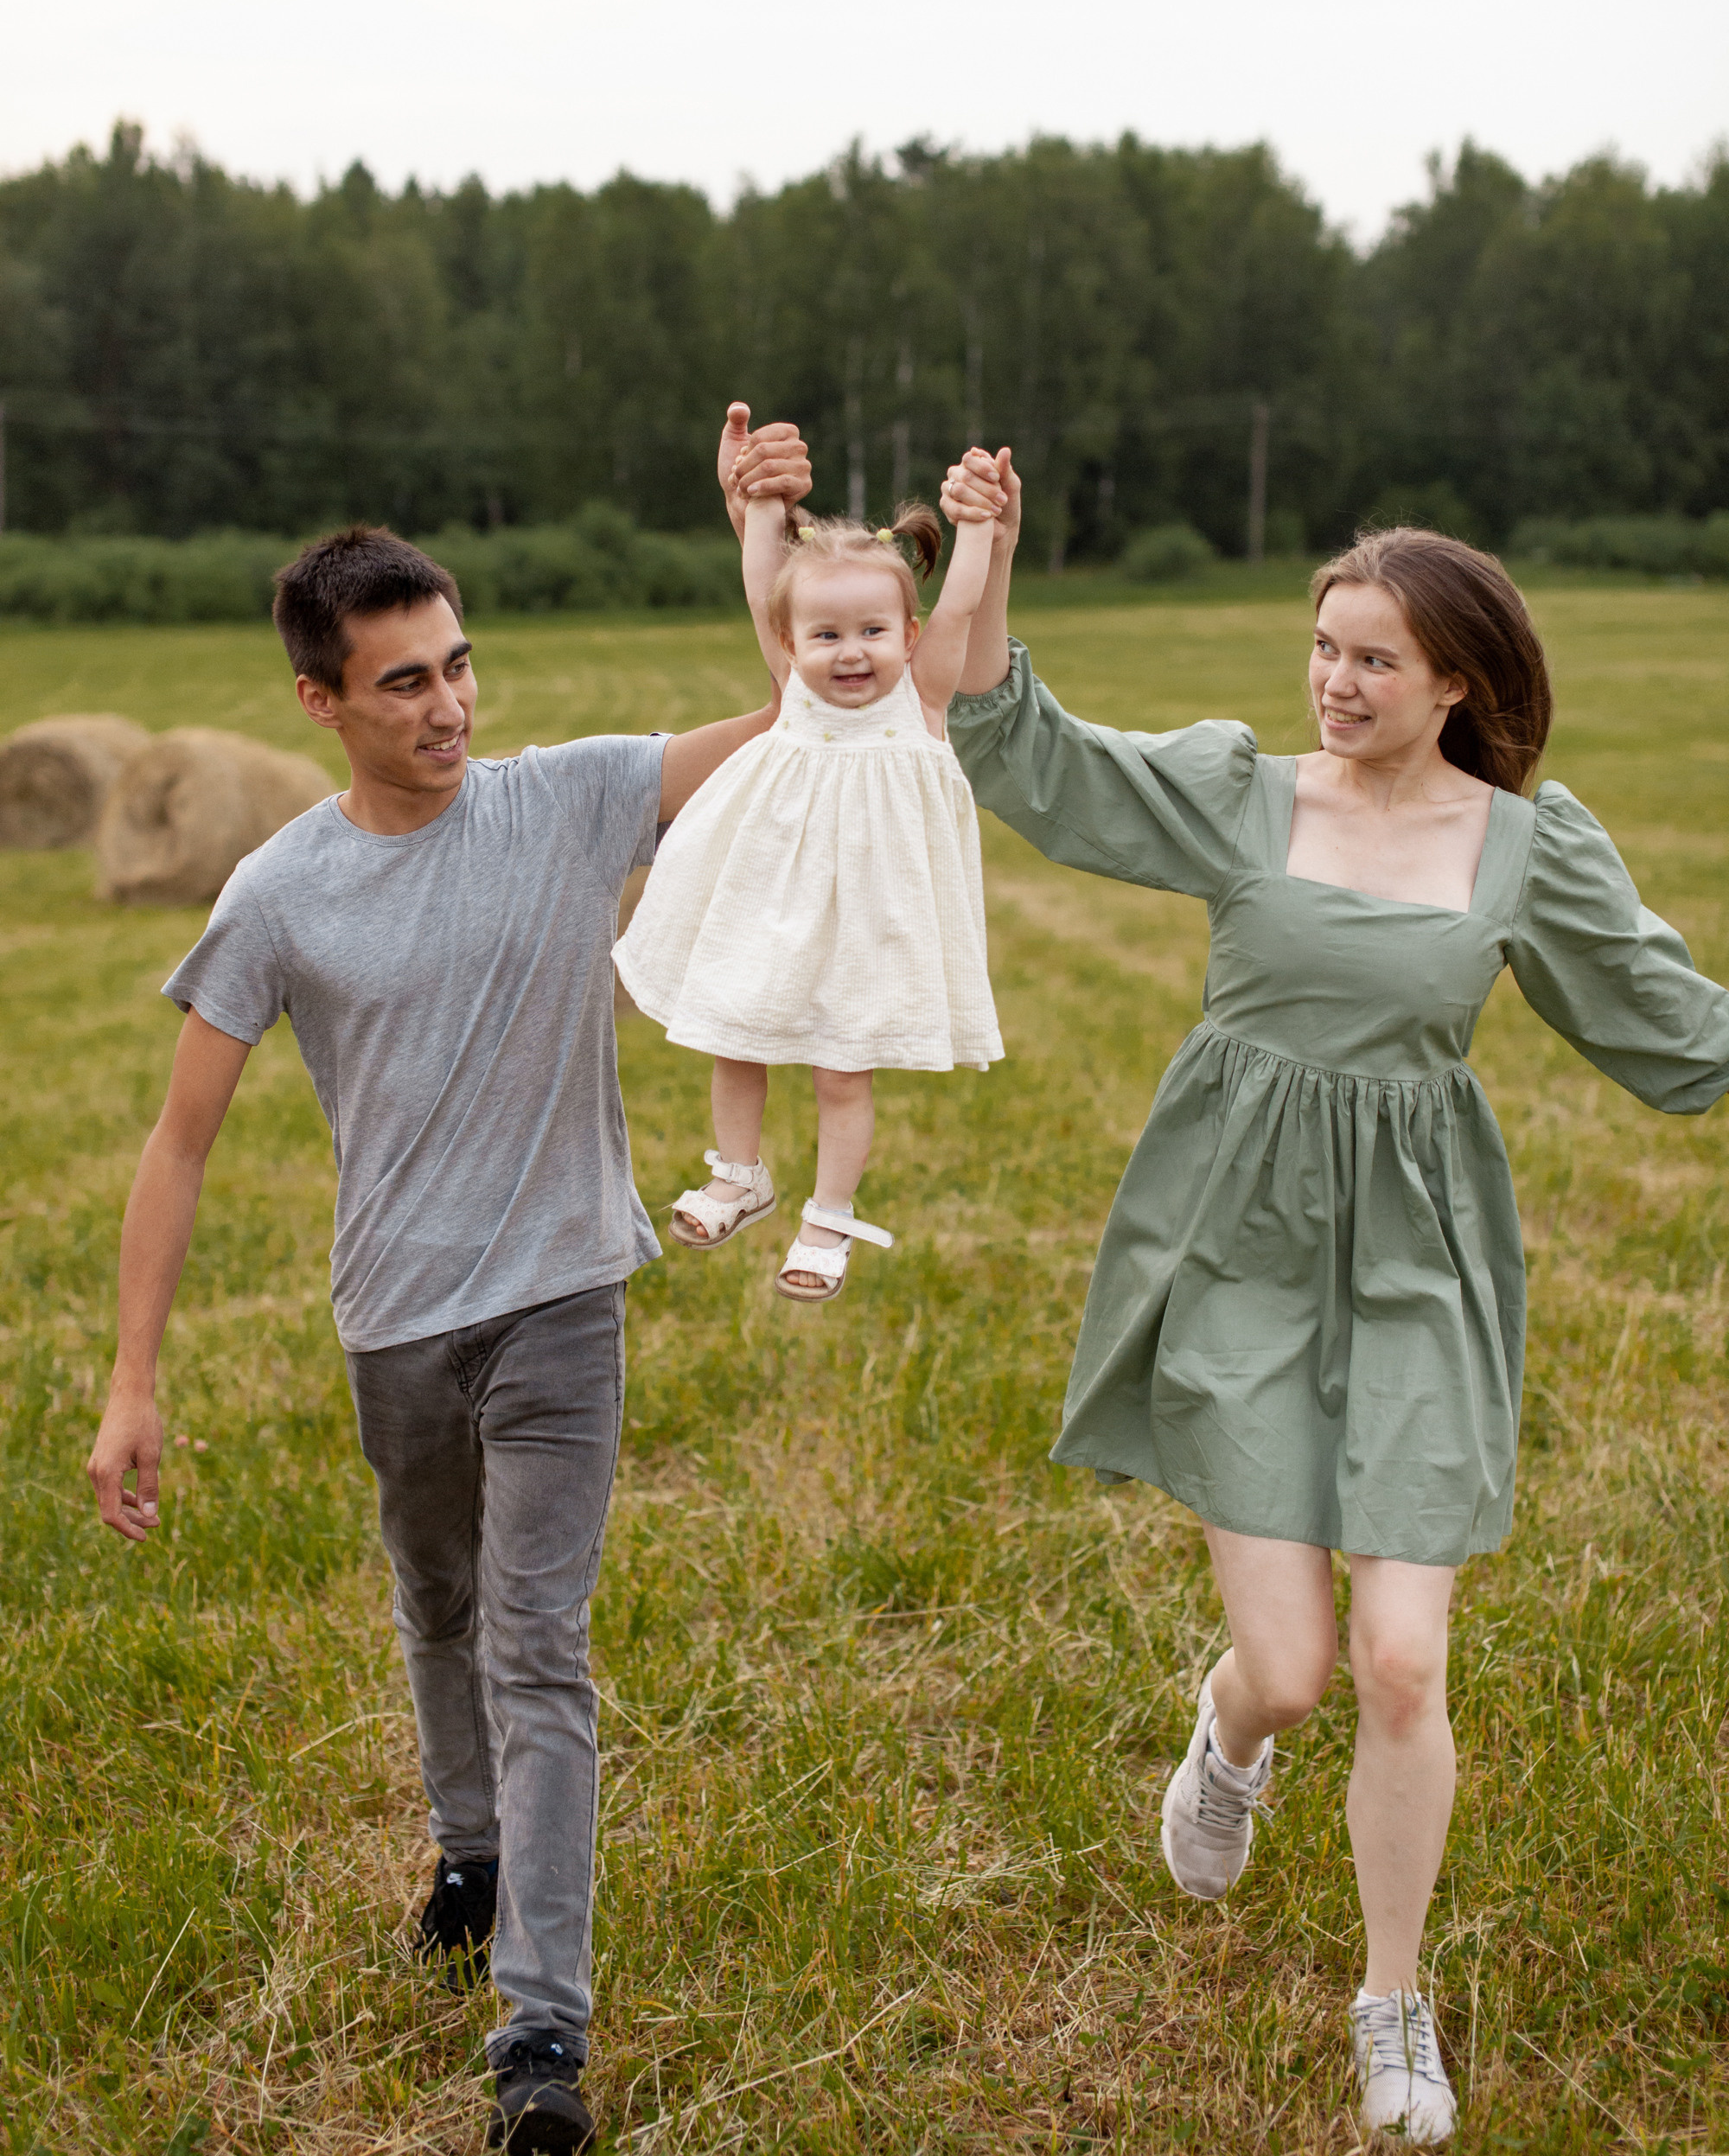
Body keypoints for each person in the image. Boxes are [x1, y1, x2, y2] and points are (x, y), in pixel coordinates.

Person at [940, 451, 1729, 2145]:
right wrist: (986, 553)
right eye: (1323, 645)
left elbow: (1677, 1034)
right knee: (1289, 1672)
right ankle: (1226, 1745)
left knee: (1394, 1662)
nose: (1336, 680)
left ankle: (1391, 2005)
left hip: (1420, 1270)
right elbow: (1028, 754)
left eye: (1374, 656)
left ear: (1457, 679)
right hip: (1236, 1251)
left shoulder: (1526, 846)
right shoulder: (1242, 794)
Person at [84, 411, 813, 2156]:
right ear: (319, 704)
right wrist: (130, 1378)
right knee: (437, 1611)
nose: (449, 706)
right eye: (403, 682)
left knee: (537, 1643)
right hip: (393, 1325)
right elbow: (177, 1144)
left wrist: (758, 538)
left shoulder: (564, 802)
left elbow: (803, 727)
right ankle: (467, 1846)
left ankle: (538, 2041)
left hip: (567, 1295)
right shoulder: (276, 891)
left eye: (459, 667)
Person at [613, 416, 1005, 1298]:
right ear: (792, 645)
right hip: (771, 895)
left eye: (871, 630)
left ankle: (828, 1216)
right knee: (732, 1031)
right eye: (825, 635)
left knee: (840, 1070)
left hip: (871, 919)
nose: (849, 651)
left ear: (906, 636)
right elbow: (762, 583)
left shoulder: (923, 695)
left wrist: (976, 522)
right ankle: (739, 1174)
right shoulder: (793, 688)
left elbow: (963, 603)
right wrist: (756, 508)